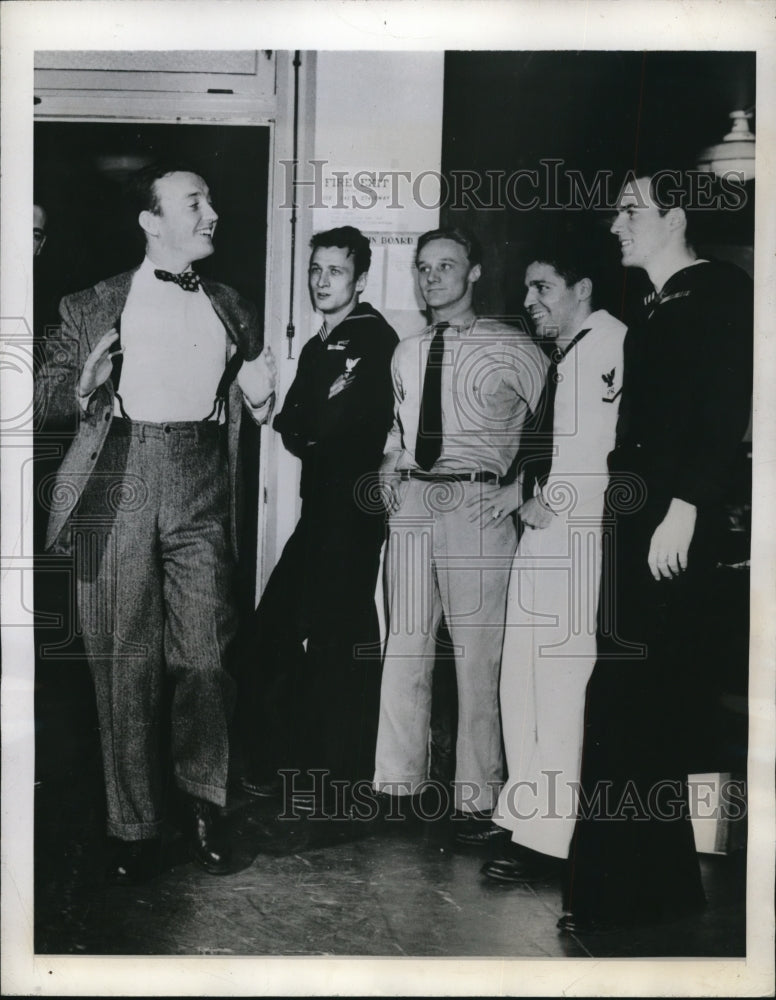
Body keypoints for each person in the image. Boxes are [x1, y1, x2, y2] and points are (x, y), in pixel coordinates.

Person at [35, 160, 277, 883]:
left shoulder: (232, 306)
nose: (212, 214)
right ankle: (132, 826)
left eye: (211, 200)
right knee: (123, 662)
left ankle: (203, 801)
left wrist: (262, 391)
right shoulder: (93, 304)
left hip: (201, 477)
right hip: (121, 473)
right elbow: (41, 397)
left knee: (206, 654)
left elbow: (255, 398)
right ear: (151, 220)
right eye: (194, 202)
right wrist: (82, 389)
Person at [560, 170, 753, 932]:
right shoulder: (663, 303)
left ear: (677, 217)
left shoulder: (718, 294)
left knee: (631, 697)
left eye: (630, 211)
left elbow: (721, 408)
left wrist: (687, 507)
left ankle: (625, 899)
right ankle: (643, 892)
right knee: (627, 698)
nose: (616, 225)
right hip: (636, 520)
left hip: (667, 526)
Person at [373, 227, 548, 832]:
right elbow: (401, 427)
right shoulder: (407, 350)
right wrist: (390, 468)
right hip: (417, 504)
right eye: (423, 267)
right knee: (406, 644)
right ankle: (398, 786)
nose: (432, 277)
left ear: (474, 273)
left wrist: (523, 487)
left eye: (446, 266)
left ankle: (478, 798)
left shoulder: (512, 346)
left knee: (478, 655)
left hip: (477, 504)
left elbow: (559, 423)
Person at [467, 239, 626, 874]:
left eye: (544, 288)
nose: (530, 301)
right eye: (528, 289)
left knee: (559, 681)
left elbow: (596, 447)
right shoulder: (571, 351)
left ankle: (551, 838)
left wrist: (548, 498)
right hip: (547, 526)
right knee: (523, 678)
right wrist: (528, 491)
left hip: (574, 531)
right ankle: (521, 813)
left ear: (582, 288)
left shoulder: (606, 343)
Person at [238, 226, 398, 811]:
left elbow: (319, 426)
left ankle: (336, 781)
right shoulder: (315, 345)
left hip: (352, 512)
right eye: (316, 270)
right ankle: (313, 773)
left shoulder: (373, 339)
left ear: (359, 279)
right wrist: (300, 423)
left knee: (335, 641)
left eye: (334, 271)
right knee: (294, 635)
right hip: (322, 510)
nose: (322, 281)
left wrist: (302, 424)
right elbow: (292, 424)